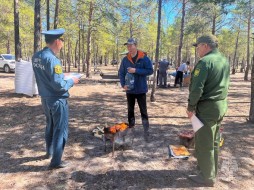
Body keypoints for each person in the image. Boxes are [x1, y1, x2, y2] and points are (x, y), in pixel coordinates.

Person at [32, 28, 79, 169]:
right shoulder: (53, 59)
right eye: (62, 41)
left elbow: (46, 76)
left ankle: (49, 152)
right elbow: (58, 85)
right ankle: (56, 161)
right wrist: (72, 81)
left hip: (45, 98)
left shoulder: (37, 56)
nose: (62, 44)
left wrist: (64, 75)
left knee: (50, 125)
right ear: (57, 41)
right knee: (60, 129)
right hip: (57, 100)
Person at [186, 34, 230, 186]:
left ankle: (207, 177)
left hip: (207, 108)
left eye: (198, 47)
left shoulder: (205, 62)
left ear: (205, 45)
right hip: (220, 106)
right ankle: (210, 170)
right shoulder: (224, 60)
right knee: (214, 141)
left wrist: (191, 107)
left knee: (204, 142)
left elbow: (197, 88)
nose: (197, 50)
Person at [119, 38, 153, 142]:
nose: (129, 47)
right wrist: (123, 84)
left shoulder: (144, 58)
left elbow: (150, 70)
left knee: (143, 111)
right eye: (127, 46)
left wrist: (136, 70)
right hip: (130, 90)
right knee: (130, 111)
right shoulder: (125, 59)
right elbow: (121, 73)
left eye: (131, 45)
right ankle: (131, 130)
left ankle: (146, 131)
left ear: (136, 45)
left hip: (141, 89)